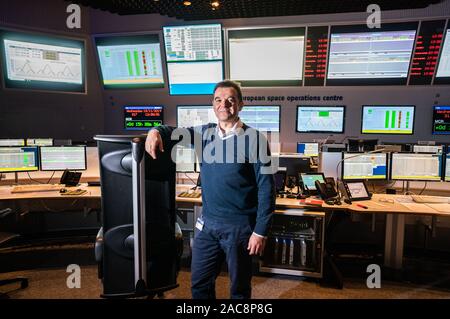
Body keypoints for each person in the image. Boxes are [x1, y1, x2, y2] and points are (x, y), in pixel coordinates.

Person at [145, 80, 275, 299]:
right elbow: (171, 131)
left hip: (240, 227)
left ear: (240, 105)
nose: (224, 104)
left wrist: (260, 231)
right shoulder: (203, 134)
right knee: (199, 285)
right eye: (218, 100)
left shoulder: (256, 140)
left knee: (239, 289)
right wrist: (154, 131)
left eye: (230, 100)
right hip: (208, 225)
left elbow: (267, 189)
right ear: (213, 105)